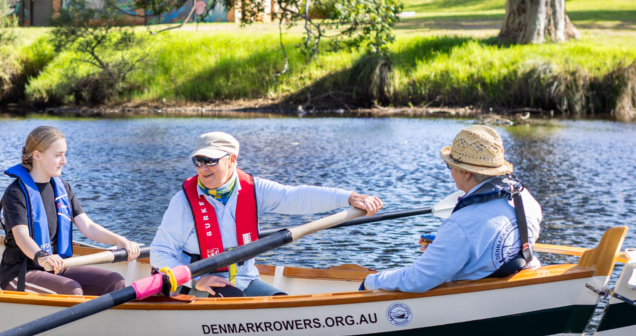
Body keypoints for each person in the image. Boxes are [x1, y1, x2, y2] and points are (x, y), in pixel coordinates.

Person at [150, 131, 383, 297]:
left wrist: (348, 198)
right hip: (200, 284)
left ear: (232, 160)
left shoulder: (253, 189)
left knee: (282, 303)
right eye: (198, 161)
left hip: (246, 280)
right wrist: (197, 279)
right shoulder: (183, 202)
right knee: (234, 301)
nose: (203, 167)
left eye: (210, 160)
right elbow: (160, 253)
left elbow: (296, 197)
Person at [361, 125, 542, 293]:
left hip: (472, 299)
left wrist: (370, 281)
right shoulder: (525, 197)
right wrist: (447, 245)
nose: (450, 172)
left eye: (450, 166)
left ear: (466, 173)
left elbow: (417, 280)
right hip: (517, 282)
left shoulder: (461, 224)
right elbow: (495, 236)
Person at [0, 125, 142, 295]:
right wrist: (41, 257)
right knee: (72, 290)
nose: (64, 161)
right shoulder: (16, 193)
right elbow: (21, 236)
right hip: (21, 273)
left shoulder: (63, 188)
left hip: (58, 267)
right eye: (58, 155)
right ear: (37, 155)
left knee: (115, 282)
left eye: (64, 154)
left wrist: (120, 241)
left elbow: (88, 226)